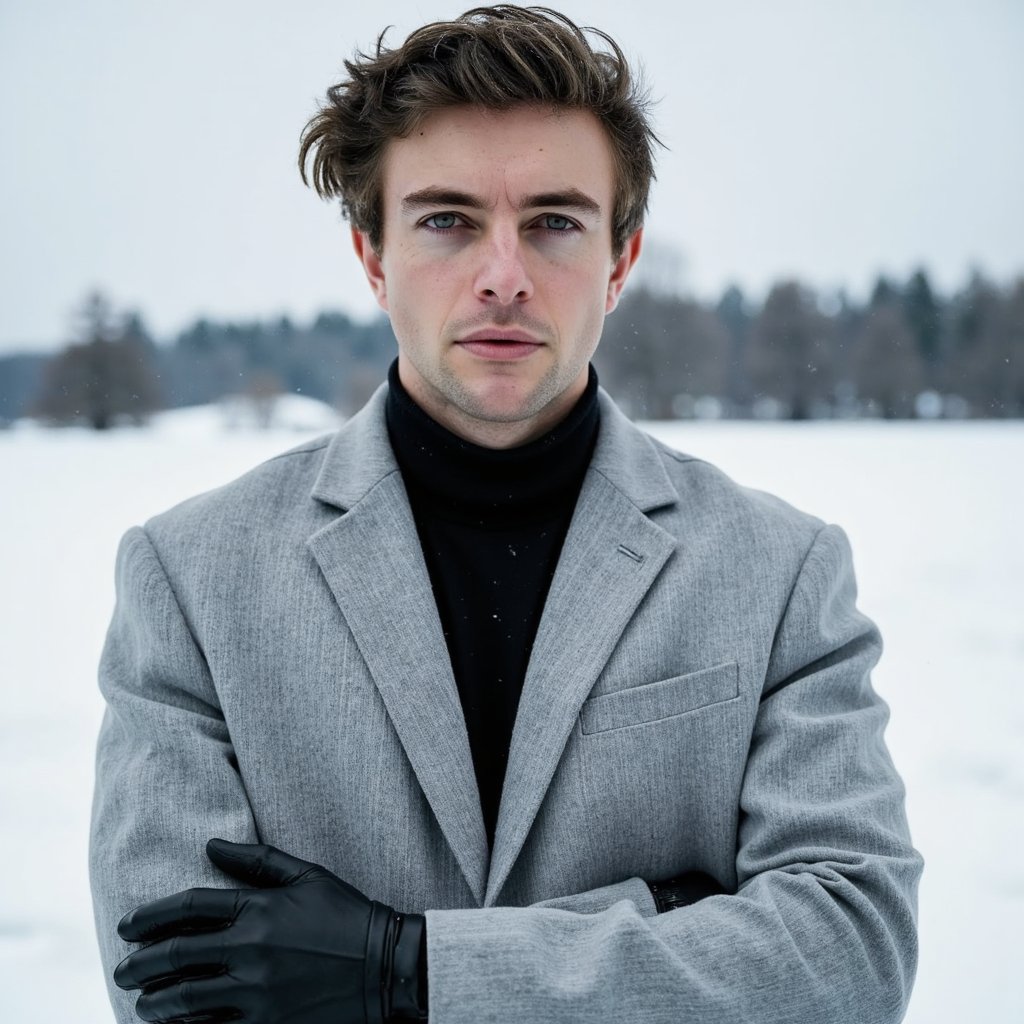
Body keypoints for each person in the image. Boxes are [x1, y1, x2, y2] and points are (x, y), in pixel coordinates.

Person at [89, 6, 923, 1023]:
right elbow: (179, 990)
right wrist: (663, 921)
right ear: (370, 255)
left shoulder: (779, 570)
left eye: (553, 223)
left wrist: (404, 967)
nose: (502, 275)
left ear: (620, 261)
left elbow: (849, 951)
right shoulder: (191, 577)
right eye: (445, 220)